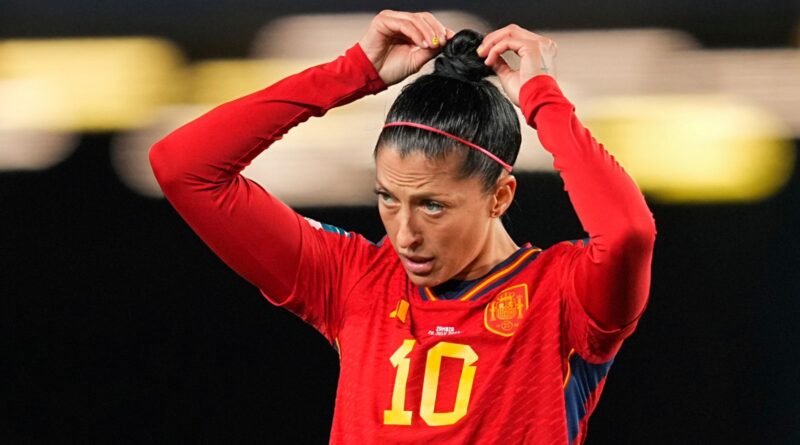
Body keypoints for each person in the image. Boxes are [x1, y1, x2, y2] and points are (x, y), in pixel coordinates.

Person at [149, 10, 656, 445]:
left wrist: (541, 98)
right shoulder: (353, 280)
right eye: (388, 199)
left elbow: (628, 233)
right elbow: (184, 167)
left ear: (500, 196)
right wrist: (351, 73)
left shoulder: (563, 296)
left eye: (432, 205)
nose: (404, 233)